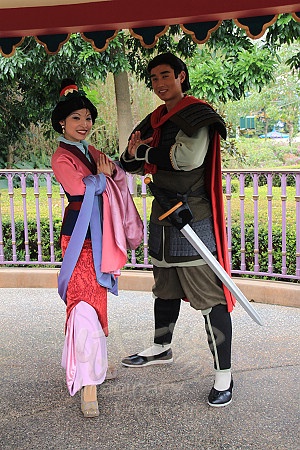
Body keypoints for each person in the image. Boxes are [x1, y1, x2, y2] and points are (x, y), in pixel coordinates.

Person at [119, 53, 235, 407]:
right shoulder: (155, 118)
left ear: (181, 76)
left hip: (192, 215)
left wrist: (145, 152)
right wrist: (140, 153)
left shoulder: (196, 114)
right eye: (153, 78)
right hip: (162, 214)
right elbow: (129, 160)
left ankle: (223, 377)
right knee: (164, 287)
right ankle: (161, 346)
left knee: (209, 298)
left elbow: (187, 159)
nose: (159, 83)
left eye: (165, 75)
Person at [51, 79, 143, 417]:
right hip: (80, 235)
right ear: (62, 122)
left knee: (96, 297)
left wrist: (115, 169)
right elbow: (79, 189)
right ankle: (87, 382)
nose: (84, 124)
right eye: (76, 118)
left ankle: (95, 366)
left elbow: (116, 173)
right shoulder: (62, 155)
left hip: (99, 232)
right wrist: (105, 177)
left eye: (88, 118)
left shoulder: (90, 151)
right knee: (83, 301)